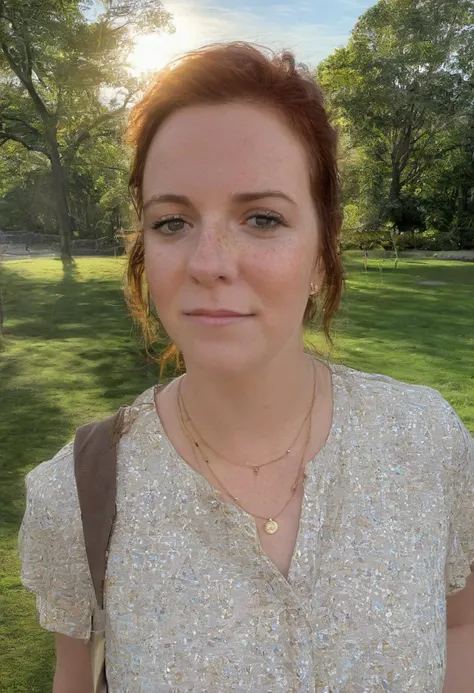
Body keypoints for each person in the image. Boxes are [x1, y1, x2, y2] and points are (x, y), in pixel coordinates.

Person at [18, 41, 473, 693]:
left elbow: (461, 624)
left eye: (262, 218)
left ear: (322, 251)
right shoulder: (81, 493)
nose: (208, 261)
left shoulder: (426, 442)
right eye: (172, 221)